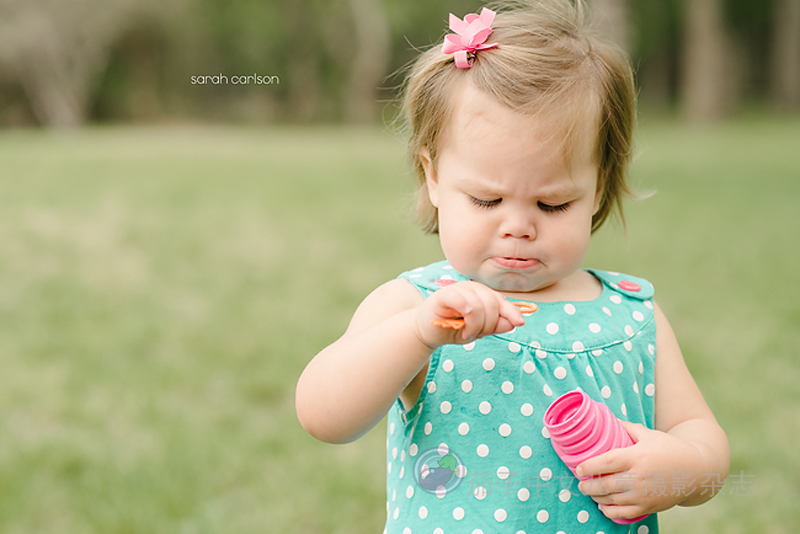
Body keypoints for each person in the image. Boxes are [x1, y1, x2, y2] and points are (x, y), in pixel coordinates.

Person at [295, 1, 729, 532]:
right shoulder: (415, 306)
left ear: (597, 187)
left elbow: (702, 441)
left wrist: (681, 470)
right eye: (485, 200)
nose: (518, 226)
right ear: (433, 177)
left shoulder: (632, 316)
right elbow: (322, 415)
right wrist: (418, 334)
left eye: (552, 205)